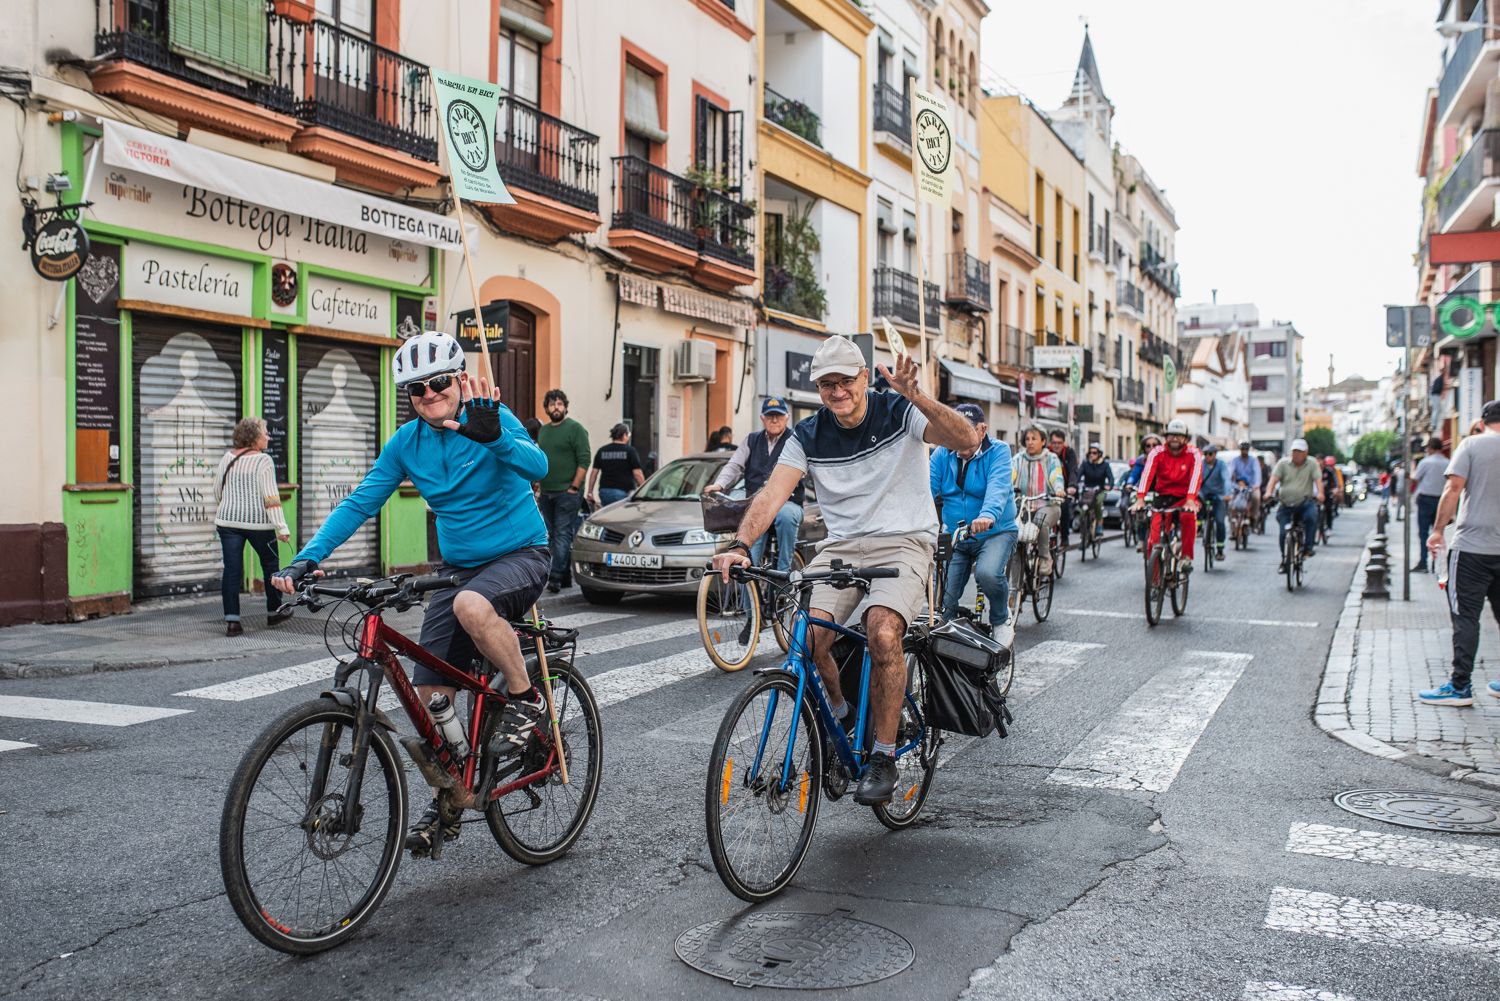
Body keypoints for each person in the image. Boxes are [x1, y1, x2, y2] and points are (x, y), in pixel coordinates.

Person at [271, 331, 551, 857]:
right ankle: (451, 798)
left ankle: (525, 698)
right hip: (458, 567)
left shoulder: (488, 415)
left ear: (458, 381)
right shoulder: (406, 443)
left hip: (521, 554)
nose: (429, 394)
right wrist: (307, 558)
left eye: (439, 383)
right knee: (430, 707)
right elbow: (360, 502)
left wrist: (495, 437)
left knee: (473, 606)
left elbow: (541, 469)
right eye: (417, 389)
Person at [710, 335, 978, 805]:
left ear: (864, 377)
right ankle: (838, 709)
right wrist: (739, 544)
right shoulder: (809, 434)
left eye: (846, 380)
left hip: (904, 540)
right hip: (842, 546)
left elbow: (965, 439)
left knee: (883, 631)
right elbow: (771, 495)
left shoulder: (898, 411)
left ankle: (884, 754)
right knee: (807, 638)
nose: (838, 391)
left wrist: (916, 394)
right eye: (827, 383)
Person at [1418, 400, 1500, 706]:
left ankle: (1460, 686)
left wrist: (1438, 530)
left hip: (1472, 549)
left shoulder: (1472, 445)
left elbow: (1453, 489)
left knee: (1466, 617)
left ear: (1481, 422)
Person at [930, 404, 1020, 646]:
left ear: (982, 430)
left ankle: (1001, 619)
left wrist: (988, 515)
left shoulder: (999, 451)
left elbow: (998, 488)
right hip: (956, 534)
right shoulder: (941, 453)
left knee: (987, 573)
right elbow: (925, 490)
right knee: (943, 598)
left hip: (995, 531)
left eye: (966, 431)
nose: (959, 438)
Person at [705, 397, 803, 575]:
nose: (774, 420)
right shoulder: (752, 440)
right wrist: (719, 484)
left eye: (779, 416)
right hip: (757, 503)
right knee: (748, 547)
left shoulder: (795, 440)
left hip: (788, 502)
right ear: (762, 418)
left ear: (787, 417)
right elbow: (735, 465)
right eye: (770, 416)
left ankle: (784, 574)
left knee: (786, 516)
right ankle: (749, 596)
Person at [214, 418, 292, 637]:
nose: (268, 437)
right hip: (259, 524)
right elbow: (271, 498)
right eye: (265, 433)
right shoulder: (263, 461)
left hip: (227, 523)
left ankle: (232, 622)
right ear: (254, 437)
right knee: (271, 566)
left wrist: (229, 507)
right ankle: (274, 611)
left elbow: (217, 490)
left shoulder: (227, 458)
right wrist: (281, 527)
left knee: (231, 570)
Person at [536, 389, 590, 593]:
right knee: (551, 535)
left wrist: (574, 487)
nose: (556, 407)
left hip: (567, 493)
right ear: (547, 408)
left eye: (559, 404)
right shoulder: (544, 431)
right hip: (547, 491)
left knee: (561, 534)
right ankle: (565, 575)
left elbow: (584, 459)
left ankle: (556, 577)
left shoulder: (575, 429)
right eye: (552, 404)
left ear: (565, 407)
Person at [1130, 420, 1204, 566]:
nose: (1174, 438)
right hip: (1162, 499)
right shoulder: (1157, 452)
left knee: (1188, 517)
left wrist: (1190, 499)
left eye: (1179, 435)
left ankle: (1186, 557)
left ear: (1185, 438)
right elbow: (1147, 474)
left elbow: (1196, 477)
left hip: (1184, 499)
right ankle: (1156, 581)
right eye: (1171, 435)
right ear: (1166, 437)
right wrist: (1140, 498)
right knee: (1154, 539)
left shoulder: (1193, 453)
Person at [1012, 427, 1066, 576]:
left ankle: (1044, 558)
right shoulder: (1018, 459)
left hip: (1048, 505)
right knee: (1013, 531)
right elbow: (1009, 476)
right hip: (1023, 507)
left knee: (1040, 520)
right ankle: (1014, 591)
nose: (1030, 442)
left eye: (1034, 439)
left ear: (1043, 441)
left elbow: (1056, 476)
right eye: (1027, 439)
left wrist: (1059, 489)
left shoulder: (1051, 458)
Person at [1264, 437, 1324, 571]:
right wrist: (1268, 492)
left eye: (1299, 451)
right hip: (1286, 504)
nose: (1296, 454)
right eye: (1294, 451)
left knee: (1312, 516)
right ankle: (1285, 559)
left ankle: (1308, 548)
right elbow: (1273, 479)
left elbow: (1318, 480)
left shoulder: (1312, 463)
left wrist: (1320, 493)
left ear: (1305, 452)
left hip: (1305, 502)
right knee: (1283, 533)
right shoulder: (1283, 463)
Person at [1411, 436, 1449, 573]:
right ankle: (1436, 563)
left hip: (1425, 499)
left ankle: (1423, 562)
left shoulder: (1425, 462)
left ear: (1430, 448)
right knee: (1439, 533)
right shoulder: (1448, 462)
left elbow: (1415, 478)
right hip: (1442, 501)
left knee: (1423, 533)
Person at [587, 423, 644, 508]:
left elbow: (594, 473)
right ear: (624, 434)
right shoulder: (630, 451)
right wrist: (644, 490)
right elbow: (637, 474)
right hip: (623, 493)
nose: (628, 437)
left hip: (604, 492)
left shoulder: (602, 451)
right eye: (628, 435)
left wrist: (590, 492)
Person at [1124, 433, 1163, 550]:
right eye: (1148, 445)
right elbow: (1134, 474)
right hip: (1145, 492)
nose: (1151, 448)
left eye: (1155, 445)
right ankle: (1141, 539)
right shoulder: (1141, 461)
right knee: (1140, 513)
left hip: (1161, 492)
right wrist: (1129, 483)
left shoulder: (1164, 459)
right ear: (1144, 448)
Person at [1048, 430, 1080, 549]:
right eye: (1054, 443)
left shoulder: (1069, 453)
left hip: (1065, 489)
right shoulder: (1046, 453)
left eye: (1059, 443)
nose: (1056, 446)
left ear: (1064, 443)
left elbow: (1073, 470)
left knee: (1064, 508)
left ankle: (1064, 538)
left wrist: (1072, 485)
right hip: (1048, 489)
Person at [1198, 444, 1230, 560]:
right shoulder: (1200, 464)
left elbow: (1226, 479)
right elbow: (1195, 478)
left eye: (1210, 454)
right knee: (1196, 505)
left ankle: (1220, 549)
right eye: (1205, 454)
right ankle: (1199, 527)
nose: (1207, 456)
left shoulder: (1221, 465)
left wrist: (1227, 494)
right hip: (1203, 494)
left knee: (1220, 521)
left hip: (1218, 496)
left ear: (1215, 454)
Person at [1078, 442, 1115, 534]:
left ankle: (1099, 525)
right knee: (1082, 506)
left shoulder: (1105, 465)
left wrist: (1109, 485)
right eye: (1090, 453)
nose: (1092, 455)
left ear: (1099, 454)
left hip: (1100, 491)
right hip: (1087, 490)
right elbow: (1078, 475)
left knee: (1098, 503)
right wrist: (1074, 484)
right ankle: (1084, 531)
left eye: (1094, 453)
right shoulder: (1085, 464)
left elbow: (1111, 477)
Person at [1229, 440, 1262, 528]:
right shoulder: (1235, 460)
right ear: (1240, 449)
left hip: (1251, 486)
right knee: (1229, 499)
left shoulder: (1253, 460)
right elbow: (1230, 472)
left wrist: (1256, 485)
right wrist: (1229, 483)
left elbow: (1257, 473)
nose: (1244, 451)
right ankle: (1232, 520)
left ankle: (1253, 516)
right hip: (1237, 486)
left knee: (1256, 497)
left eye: (1246, 449)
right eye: (1243, 449)